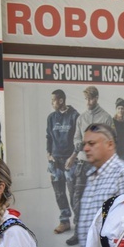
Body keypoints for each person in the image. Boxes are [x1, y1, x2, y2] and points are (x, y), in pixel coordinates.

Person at [65, 86, 113, 246]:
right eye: (86, 99)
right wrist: (80, 144)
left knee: (101, 200)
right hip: (82, 163)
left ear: (97, 98)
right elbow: (77, 137)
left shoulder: (106, 117)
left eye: (91, 98)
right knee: (77, 197)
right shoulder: (81, 118)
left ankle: (100, 234)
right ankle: (79, 233)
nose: (88, 102)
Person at [46, 89, 79, 235]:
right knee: (59, 193)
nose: (52, 103)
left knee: (74, 193)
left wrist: (73, 156)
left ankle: (79, 222)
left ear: (60, 100)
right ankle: (64, 221)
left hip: (70, 161)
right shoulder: (51, 117)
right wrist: (48, 153)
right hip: (55, 162)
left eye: (53, 100)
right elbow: (49, 137)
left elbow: (79, 139)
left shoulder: (74, 116)